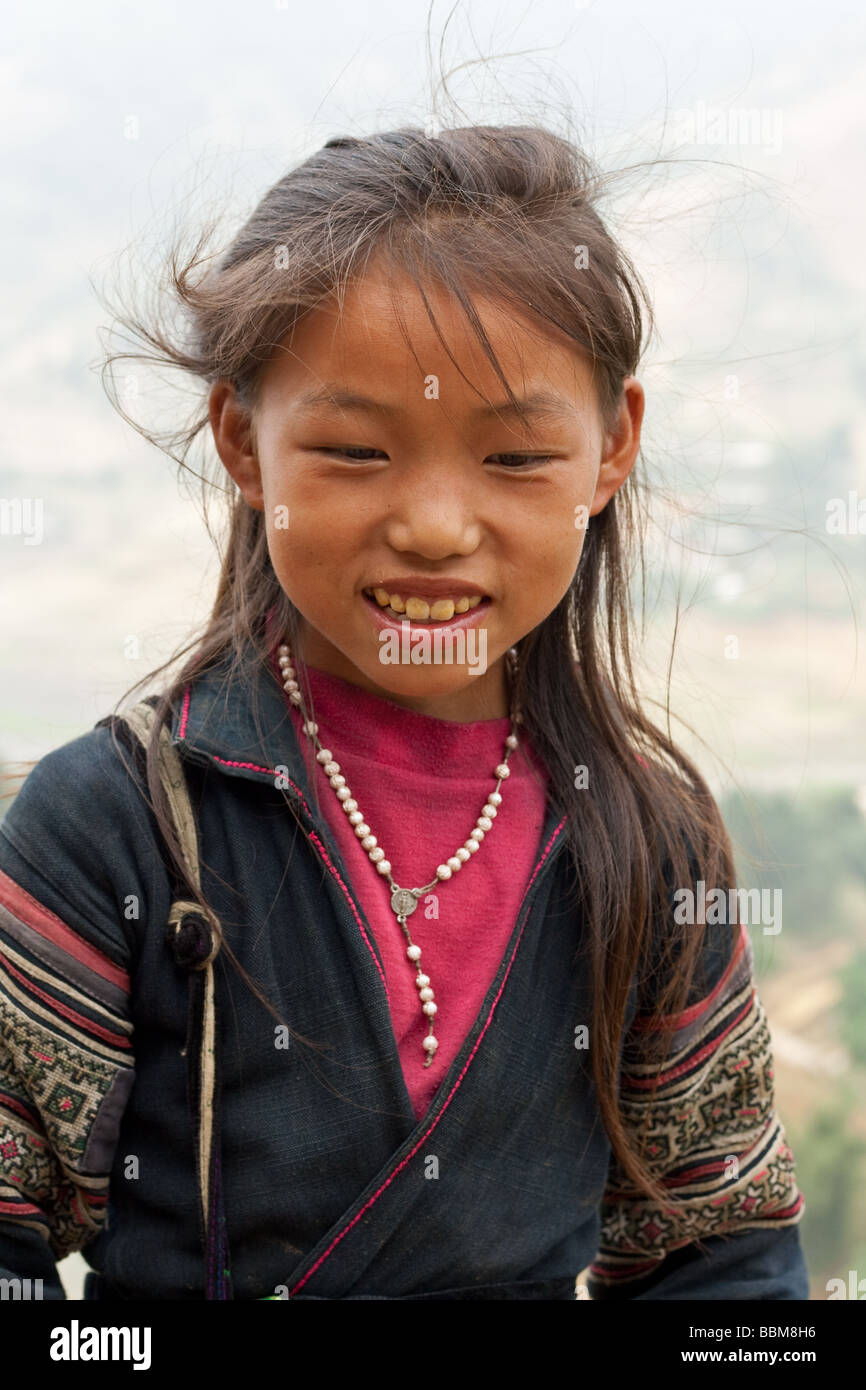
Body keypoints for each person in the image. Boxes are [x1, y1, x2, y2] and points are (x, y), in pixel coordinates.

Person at [0, 125, 808, 1300]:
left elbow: (722, 1259)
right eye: (354, 448)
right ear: (243, 442)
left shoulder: (646, 844)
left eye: (516, 457)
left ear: (609, 447)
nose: (434, 524)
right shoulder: (116, 827)